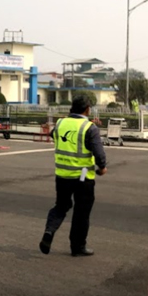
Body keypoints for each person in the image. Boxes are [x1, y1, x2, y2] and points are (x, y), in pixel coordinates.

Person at [39, 95, 108, 257]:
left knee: (61, 206)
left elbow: (53, 135)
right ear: (87, 109)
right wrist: (102, 167)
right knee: (81, 212)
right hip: (83, 178)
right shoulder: (89, 127)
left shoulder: (61, 123)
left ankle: (49, 231)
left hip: (62, 176)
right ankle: (77, 246)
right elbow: (99, 153)